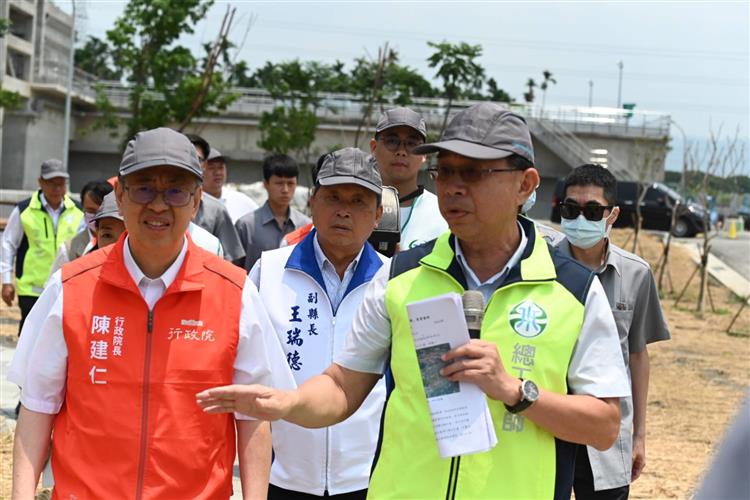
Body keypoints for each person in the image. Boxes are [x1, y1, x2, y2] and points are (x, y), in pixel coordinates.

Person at [197, 103, 630, 499]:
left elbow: (605, 425)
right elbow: (343, 385)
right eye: (446, 172)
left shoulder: (572, 291)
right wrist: (288, 403)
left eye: (474, 173)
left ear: (525, 184)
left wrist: (516, 392)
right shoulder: (402, 276)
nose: (454, 188)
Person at [9, 127, 293, 499]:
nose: (158, 205)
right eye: (144, 188)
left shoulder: (235, 293)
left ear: (195, 202)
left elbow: (253, 416)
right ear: (121, 197)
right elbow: (37, 407)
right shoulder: (70, 288)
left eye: (175, 190)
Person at [249, 147, 386, 499]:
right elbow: (249, 372)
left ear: (378, 215)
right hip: (283, 477)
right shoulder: (268, 272)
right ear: (312, 201)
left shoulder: (395, 281)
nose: (343, 210)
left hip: (369, 478)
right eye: (333, 197)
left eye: (359, 201)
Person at [554, 164, 671, 500]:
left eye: (592, 211)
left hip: (606, 437)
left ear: (612, 214)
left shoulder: (635, 273)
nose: (580, 219)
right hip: (548, 424)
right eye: (571, 209)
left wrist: (639, 436)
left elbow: (637, 355)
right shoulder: (540, 267)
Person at [1, 159, 84, 334]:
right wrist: (7, 281)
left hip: (65, 286)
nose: (57, 189)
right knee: (30, 334)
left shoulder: (78, 211)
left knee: (59, 335)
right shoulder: (25, 210)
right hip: (32, 288)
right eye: (52, 184)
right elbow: (8, 243)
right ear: (40, 182)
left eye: (61, 184)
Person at [369, 106, 448, 250]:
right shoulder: (354, 207)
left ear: (424, 154)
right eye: (392, 141)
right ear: (374, 147)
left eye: (411, 144)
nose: (401, 151)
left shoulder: (443, 213)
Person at [235, 153, 311, 271]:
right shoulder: (246, 226)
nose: (285, 190)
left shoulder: (306, 226)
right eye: (279, 183)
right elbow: (235, 268)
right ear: (265, 184)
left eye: (290, 183)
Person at [185, 133, 246, 262]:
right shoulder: (158, 202)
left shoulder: (217, 209)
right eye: (186, 157)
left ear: (204, 165)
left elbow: (230, 260)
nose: (191, 163)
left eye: (198, 159)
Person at [48, 180, 114, 275]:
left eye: (101, 212)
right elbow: (55, 286)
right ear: (82, 209)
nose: (97, 217)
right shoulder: (68, 249)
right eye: (91, 211)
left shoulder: (128, 245)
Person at [204, 147, 259, 223]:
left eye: (221, 167)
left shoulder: (243, 202)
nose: (218, 173)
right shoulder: (192, 204)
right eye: (211, 168)